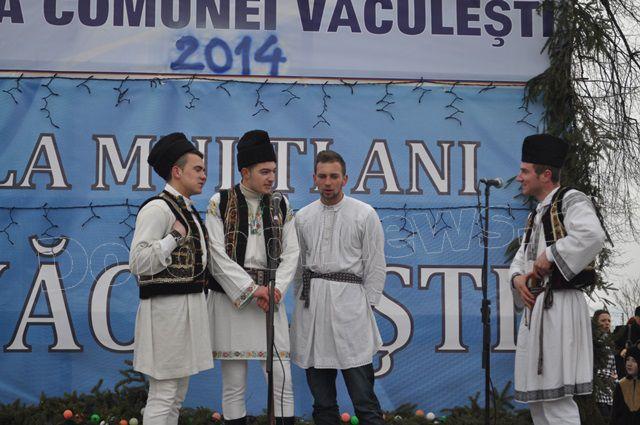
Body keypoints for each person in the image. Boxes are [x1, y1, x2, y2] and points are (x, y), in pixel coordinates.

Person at [510, 134, 606, 425]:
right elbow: (523, 258)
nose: (519, 177)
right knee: (539, 403)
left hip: (560, 307)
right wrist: (517, 279)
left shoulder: (571, 199)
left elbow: (592, 235)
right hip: (538, 311)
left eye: (525, 171)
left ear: (546, 174)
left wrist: (551, 255)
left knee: (556, 402)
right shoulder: (536, 215)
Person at [205, 130, 299, 425]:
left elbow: (292, 253)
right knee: (234, 383)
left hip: (271, 298)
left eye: (273, 171)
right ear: (245, 172)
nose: (272, 178)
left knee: (281, 378)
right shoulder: (220, 202)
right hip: (233, 300)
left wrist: (275, 290)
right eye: (264, 172)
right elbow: (215, 255)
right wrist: (252, 289)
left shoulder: (280, 204)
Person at [290, 150, 387, 425]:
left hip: (351, 309)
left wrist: (366, 306)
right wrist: (302, 303)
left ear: (345, 179)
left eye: (334, 176)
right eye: (322, 176)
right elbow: (298, 268)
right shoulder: (303, 217)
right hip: (313, 311)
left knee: (364, 400)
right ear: (314, 178)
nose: (328, 182)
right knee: (322, 403)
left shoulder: (364, 214)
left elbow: (376, 265)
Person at [129, 132, 213, 425]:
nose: (203, 175)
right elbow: (138, 261)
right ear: (177, 171)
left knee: (176, 394)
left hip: (187, 310)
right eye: (197, 169)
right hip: (167, 313)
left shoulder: (186, 208)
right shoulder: (158, 208)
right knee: (164, 394)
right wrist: (173, 238)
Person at [593, 309, 617, 419]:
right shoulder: (592, 342)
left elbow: (613, 367)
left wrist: (615, 377)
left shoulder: (609, 342)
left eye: (609, 321)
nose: (607, 323)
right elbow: (590, 368)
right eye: (603, 320)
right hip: (596, 394)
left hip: (610, 394)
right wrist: (608, 374)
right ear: (595, 322)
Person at [610, 344, 640, 424]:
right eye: (627, 359)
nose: (629, 364)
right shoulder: (621, 385)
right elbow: (614, 415)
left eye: (634, 360)